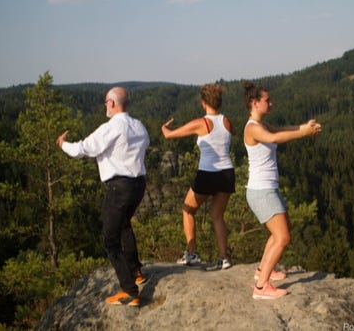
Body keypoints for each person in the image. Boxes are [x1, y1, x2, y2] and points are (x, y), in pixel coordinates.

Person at [57, 87, 149, 306]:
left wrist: (62, 144)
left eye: (106, 102)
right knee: (125, 224)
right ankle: (136, 271)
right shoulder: (139, 125)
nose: (105, 106)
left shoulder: (111, 128)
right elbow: (143, 146)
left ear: (114, 104)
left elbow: (83, 149)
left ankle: (129, 291)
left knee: (110, 240)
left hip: (120, 186)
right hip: (139, 184)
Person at [242, 81, 321, 299]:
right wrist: (304, 133)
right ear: (255, 103)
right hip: (261, 191)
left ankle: (262, 270)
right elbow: (275, 138)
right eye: (267, 100)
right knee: (283, 237)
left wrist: (304, 126)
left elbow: (281, 130)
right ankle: (261, 287)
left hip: (268, 189)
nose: (271, 103)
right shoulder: (253, 128)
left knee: (280, 233)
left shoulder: (263, 125)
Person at [161, 83, 235, 270]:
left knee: (188, 210)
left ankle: (192, 253)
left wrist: (164, 128)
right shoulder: (227, 121)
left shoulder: (200, 123)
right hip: (227, 173)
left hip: (208, 174)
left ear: (203, 103)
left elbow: (169, 135)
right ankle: (223, 258)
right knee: (217, 216)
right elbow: (232, 133)